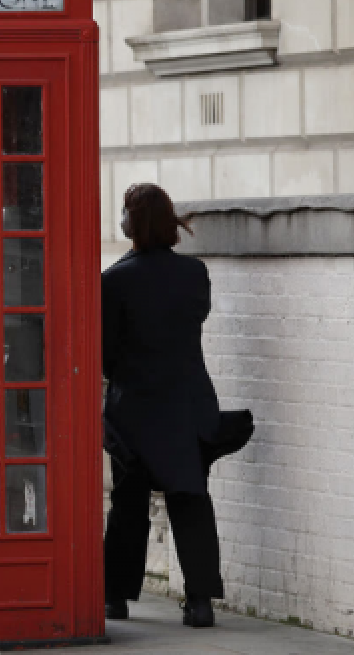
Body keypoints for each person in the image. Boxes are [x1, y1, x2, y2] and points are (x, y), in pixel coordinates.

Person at [102, 183, 225, 628]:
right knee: (190, 499)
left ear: (129, 224)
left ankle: (114, 596)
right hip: (188, 403)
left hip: (134, 407)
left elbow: (105, 353)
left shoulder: (114, 280)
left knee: (129, 503)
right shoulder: (195, 274)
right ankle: (200, 602)